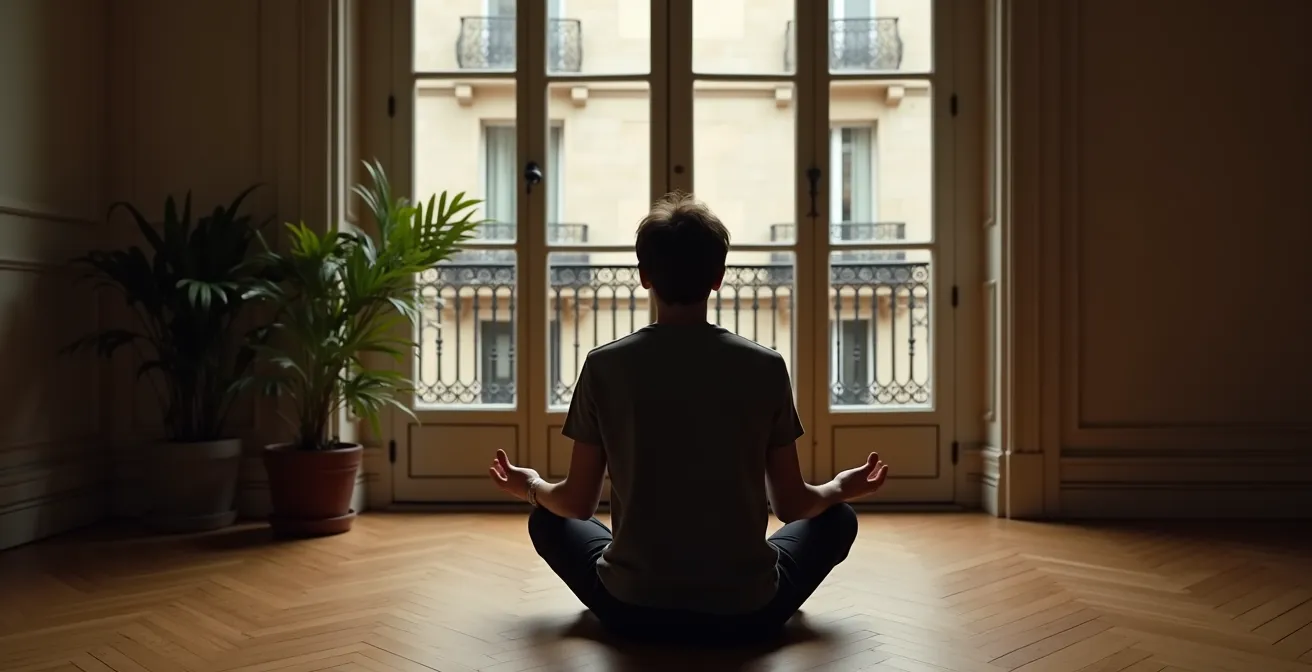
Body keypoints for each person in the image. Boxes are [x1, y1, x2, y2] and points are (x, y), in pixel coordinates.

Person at [487, 192, 891, 644]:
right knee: (839, 519)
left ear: (644, 276)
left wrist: (528, 486)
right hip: (746, 611)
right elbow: (793, 506)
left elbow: (577, 504)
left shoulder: (605, 365)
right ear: (718, 278)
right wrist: (841, 487)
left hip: (631, 610)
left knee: (546, 518)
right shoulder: (765, 365)